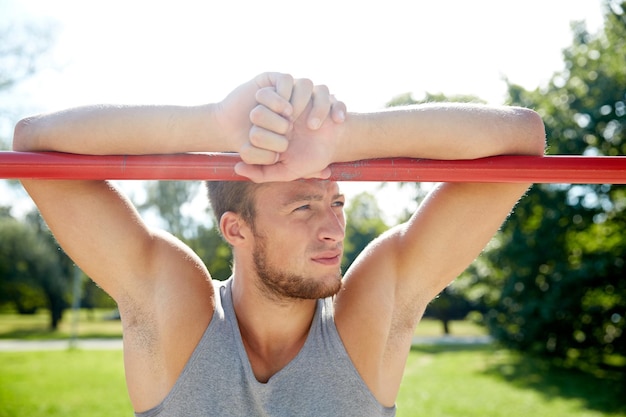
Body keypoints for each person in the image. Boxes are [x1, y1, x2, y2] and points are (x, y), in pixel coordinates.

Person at [13, 72, 546, 417]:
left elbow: (522, 140)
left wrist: (347, 140)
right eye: (303, 206)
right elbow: (36, 148)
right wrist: (213, 124)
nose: (334, 229)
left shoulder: (364, 318)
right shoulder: (178, 310)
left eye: (336, 202)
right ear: (235, 229)